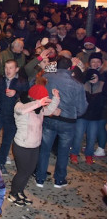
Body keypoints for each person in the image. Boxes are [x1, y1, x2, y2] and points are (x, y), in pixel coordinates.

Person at [35, 57, 88, 188]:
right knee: (63, 151)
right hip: (67, 121)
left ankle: (40, 178)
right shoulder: (77, 84)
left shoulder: (47, 77)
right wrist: (74, 113)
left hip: (49, 117)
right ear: (70, 68)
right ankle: (59, 180)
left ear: (57, 66)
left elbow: (35, 89)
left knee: (45, 149)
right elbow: (82, 107)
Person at [9, 85, 59, 206]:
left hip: (35, 145)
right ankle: (13, 194)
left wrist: (56, 98)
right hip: (22, 145)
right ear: (35, 98)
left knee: (29, 171)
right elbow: (21, 110)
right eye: (42, 99)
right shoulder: (20, 105)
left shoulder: (39, 109)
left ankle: (20, 191)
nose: (43, 103)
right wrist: (38, 102)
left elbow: (50, 110)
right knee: (22, 172)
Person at [0, 59, 29, 174]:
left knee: (7, 141)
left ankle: (1, 163)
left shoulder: (22, 82)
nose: (8, 70)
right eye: (6, 67)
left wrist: (16, 93)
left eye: (11, 68)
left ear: (16, 69)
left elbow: (26, 97)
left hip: (12, 116)